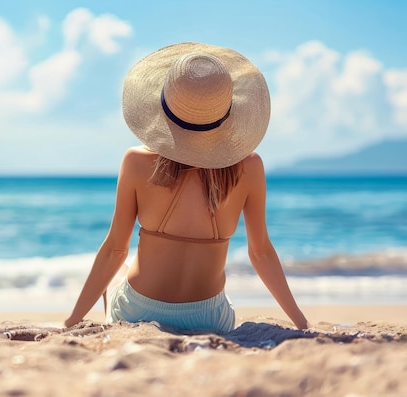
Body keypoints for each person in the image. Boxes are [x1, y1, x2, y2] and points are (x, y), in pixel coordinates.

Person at [64, 42, 309, 333]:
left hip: (140, 310)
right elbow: (261, 254)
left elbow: (115, 250)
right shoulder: (250, 167)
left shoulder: (136, 162)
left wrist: (71, 322)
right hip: (208, 317)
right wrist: (302, 323)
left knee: (115, 271)